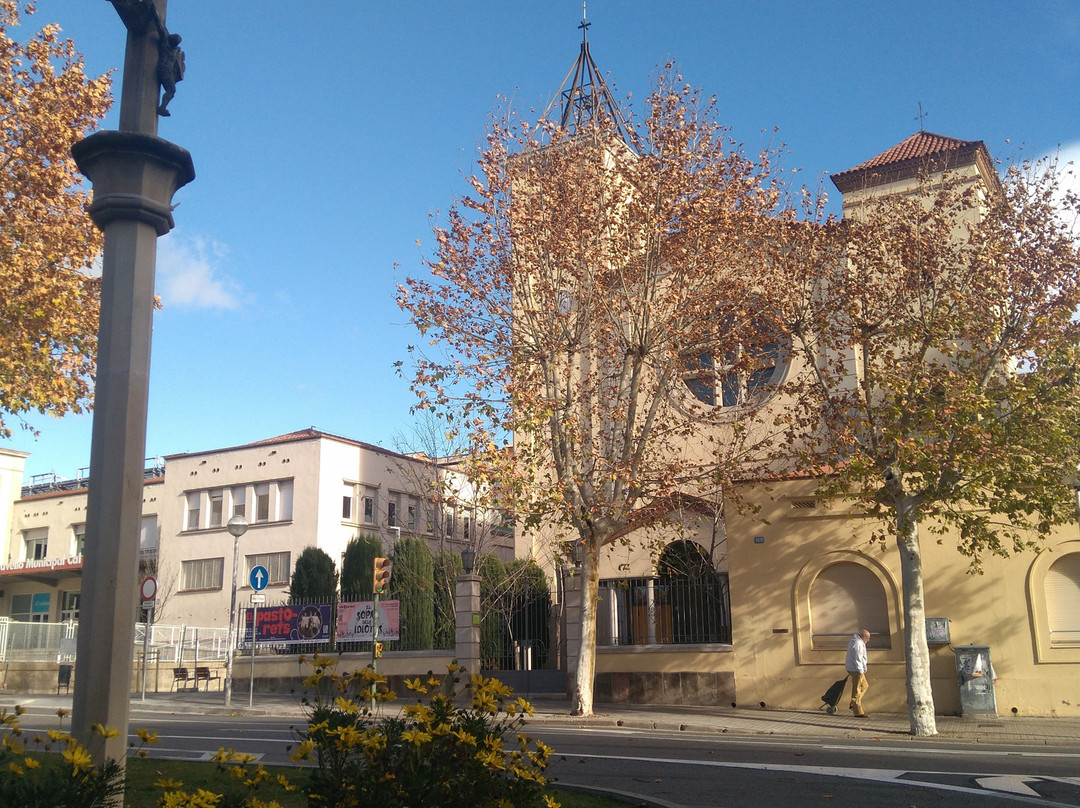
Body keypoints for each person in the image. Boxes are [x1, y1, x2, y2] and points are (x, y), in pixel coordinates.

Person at [845, 629, 871, 717]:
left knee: (864, 685)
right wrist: (861, 670)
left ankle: (854, 702)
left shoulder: (857, 642)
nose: (869, 640)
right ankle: (858, 711)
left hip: (855, 668)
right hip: (856, 669)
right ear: (864, 637)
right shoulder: (858, 644)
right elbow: (858, 658)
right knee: (857, 689)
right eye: (868, 638)